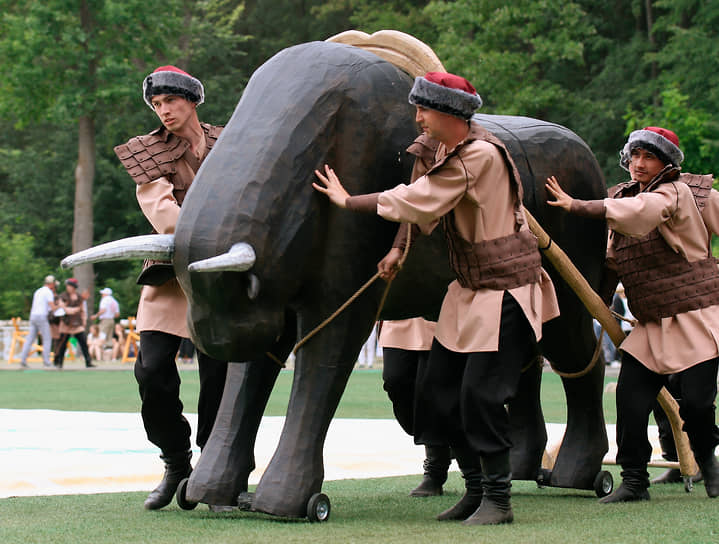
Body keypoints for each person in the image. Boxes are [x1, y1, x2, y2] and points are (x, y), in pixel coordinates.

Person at [314, 71, 559, 525]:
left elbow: (418, 198)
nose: (418, 117)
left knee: (480, 397)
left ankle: (499, 501)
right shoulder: (451, 152)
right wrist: (398, 247)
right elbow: (423, 204)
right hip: (468, 292)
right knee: (439, 394)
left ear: (449, 113)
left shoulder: (479, 155)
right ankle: (473, 490)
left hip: (505, 293)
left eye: (424, 109)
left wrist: (349, 202)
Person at [546, 125, 719, 502]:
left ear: (666, 162)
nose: (639, 164)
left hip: (695, 316)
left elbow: (643, 212)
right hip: (651, 322)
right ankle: (635, 480)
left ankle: (709, 462)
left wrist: (576, 205)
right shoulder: (621, 198)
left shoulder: (677, 192)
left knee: (697, 404)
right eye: (635, 156)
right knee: (630, 399)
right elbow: (609, 261)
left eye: (649, 157)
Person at [114, 65, 228, 510]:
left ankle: (217, 469)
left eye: (170, 102)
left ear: (192, 101)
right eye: (156, 105)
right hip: (169, 276)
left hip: (222, 279)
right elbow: (165, 216)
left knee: (219, 376)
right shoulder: (146, 152)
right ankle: (176, 460)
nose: (163, 111)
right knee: (152, 370)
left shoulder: (231, 142)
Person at [379, 318, 452, 497]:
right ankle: (451, 440)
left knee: (431, 393)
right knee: (395, 380)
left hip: (437, 317)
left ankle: (435, 471)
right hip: (399, 317)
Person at [18, 275, 59, 368]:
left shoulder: (38, 291)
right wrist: (60, 306)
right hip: (41, 316)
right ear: (52, 284)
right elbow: (52, 308)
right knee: (47, 339)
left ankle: (23, 360)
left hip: (33, 316)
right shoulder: (48, 292)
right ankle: (46, 362)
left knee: (30, 339)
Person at [53, 278, 95, 368]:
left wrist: (83, 321)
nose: (68, 288)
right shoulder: (63, 296)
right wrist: (73, 310)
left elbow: (83, 310)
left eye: (70, 286)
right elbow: (63, 308)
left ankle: (88, 362)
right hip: (66, 324)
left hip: (77, 324)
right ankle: (59, 362)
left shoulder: (79, 298)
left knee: (83, 342)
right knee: (62, 345)